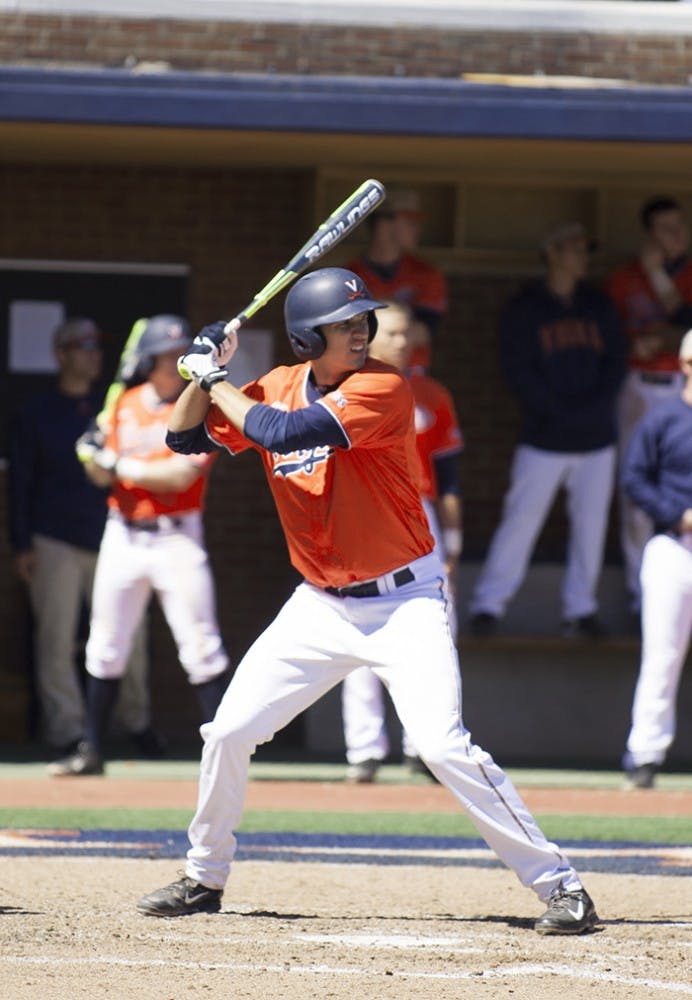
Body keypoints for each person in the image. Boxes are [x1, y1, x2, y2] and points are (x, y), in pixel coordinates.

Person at [136, 267, 598, 935]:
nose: (361, 334)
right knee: (230, 731)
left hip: (403, 600)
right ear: (305, 337)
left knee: (442, 747)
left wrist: (213, 380)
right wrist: (199, 373)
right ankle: (204, 876)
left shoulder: (383, 387)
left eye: (363, 322)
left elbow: (282, 434)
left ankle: (561, 885)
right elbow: (185, 438)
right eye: (345, 326)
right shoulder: (271, 386)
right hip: (319, 604)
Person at [47, 314, 230, 777]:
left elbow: (180, 474)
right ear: (149, 360)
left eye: (180, 352)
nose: (177, 360)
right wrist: (91, 453)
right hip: (123, 534)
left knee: (201, 647)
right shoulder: (125, 403)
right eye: (168, 354)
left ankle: (226, 751)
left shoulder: (198, 404)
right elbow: (97, 474)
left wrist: (119, 465)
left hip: (178, 537)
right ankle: (91, 748)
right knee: (106, 645)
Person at [8, 316, 158, 760]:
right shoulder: (36, 412)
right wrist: (21, 543)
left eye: (97, 346)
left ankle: (137, 723)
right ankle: (68, 731)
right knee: (55, 640)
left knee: (126, 635)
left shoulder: (114, 406)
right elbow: (21, 481)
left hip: (115, 537)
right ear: (61, 354)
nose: (93, 354)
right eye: (83, 346)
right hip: (53, 537)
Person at [469, 222, 627, 639]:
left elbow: (615, 365)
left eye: (583, 249)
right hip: (544, 435)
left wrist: (588, 410)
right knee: (521, 520)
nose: (582, 257)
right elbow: (518, 372)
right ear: (552, 252)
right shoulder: (525, 307)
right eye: (574, 248)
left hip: (596, 438)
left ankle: (581, 609)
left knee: (591, 525)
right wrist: (561, 411)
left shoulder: (599, 304)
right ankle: (488, 605)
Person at [340, 300, 463, 783]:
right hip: (363, 514)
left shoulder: (430, 393)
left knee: (433, 628)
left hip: (420, 512)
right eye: (389, 333)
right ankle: (364, 750)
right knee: (355, 626)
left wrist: (452, 540)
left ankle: (425, 747)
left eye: (404, 333)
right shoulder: (343, 388)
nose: (400, 342)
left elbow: (449, 477)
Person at [607, 196, 692, 617]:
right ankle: (641, 590)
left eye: (681, 226)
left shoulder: (687, 272)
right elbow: (607, 333)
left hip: (683, 384)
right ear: (649, 235)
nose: (677, 235)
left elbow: (688, 320)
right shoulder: (624, 278)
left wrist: (659, 275)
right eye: (666, 229)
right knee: (638, 486)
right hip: (639, 384)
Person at [620, 328, 692, 789]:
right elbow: (635, 479)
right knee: (662, 655)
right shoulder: (664, 418)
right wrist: (679, 515)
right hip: (674, 547)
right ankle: (645, 754)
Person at [347, 186, 448, 369]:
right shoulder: (349, 276)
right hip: (359, 371)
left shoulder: (426, 274)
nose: (418, 229)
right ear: (385, 223)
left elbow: (423, 331)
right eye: (411, 221)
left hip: (412, 374)